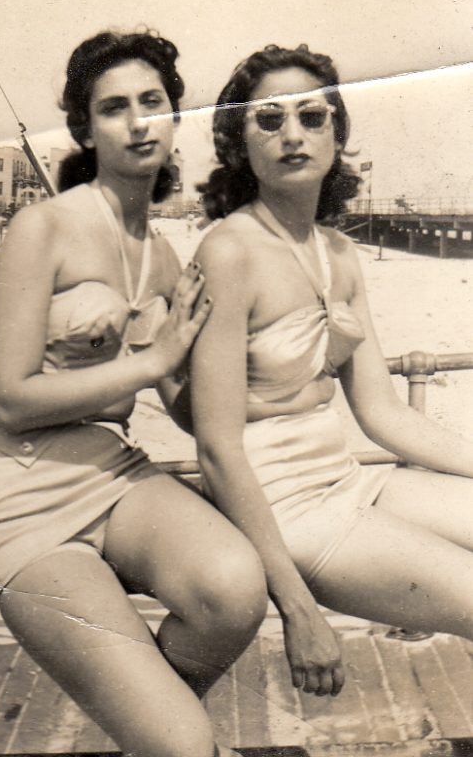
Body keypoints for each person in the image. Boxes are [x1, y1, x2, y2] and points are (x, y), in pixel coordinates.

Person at [0, 30, 267, 757]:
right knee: (184, 744)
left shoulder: (163, 256)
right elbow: (8, 397)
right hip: (21, 489)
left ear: (172, 117)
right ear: (84, 129)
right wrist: (152, 355)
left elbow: (185, 406)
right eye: (113, 108)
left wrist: (215, 351)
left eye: (151, 103)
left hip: (111, 467)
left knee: (232, 588)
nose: (136, 122)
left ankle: (155, 730)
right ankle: (166, 735)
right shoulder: (42, 228)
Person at [191, 43, 473, 700]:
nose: (292, 135)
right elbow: (214, 448)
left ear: (336, 135)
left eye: (311, 117)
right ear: (237, 145)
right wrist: (296, 609)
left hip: (348, 484)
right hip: (284, 513)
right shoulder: (227, 253)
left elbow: (382, 413)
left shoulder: (338, 254)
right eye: (267, 120)